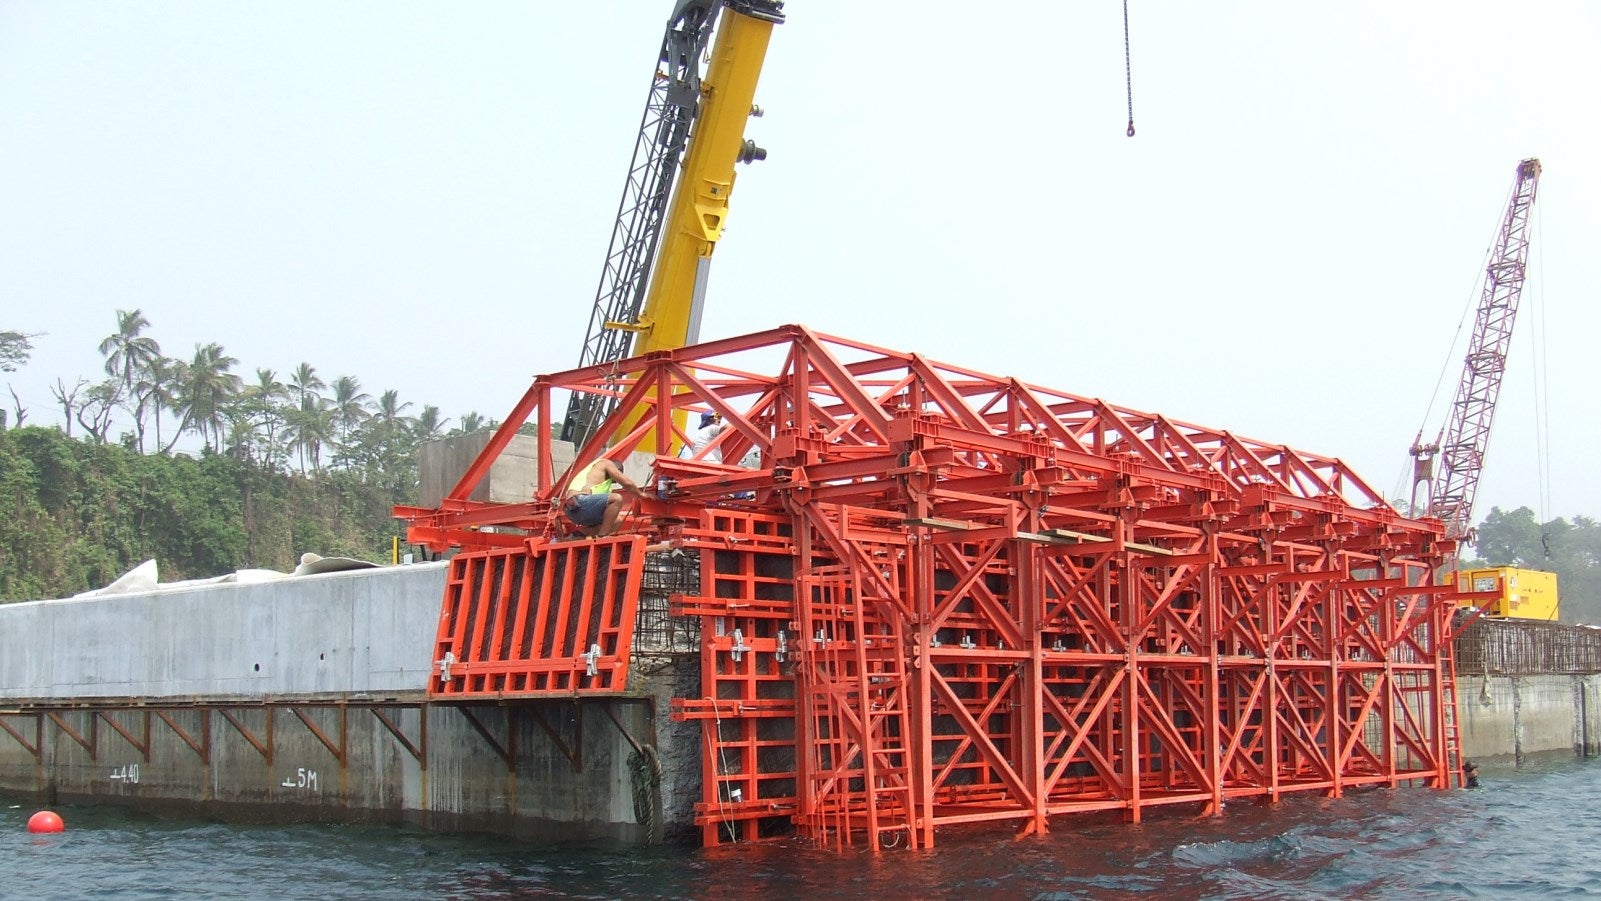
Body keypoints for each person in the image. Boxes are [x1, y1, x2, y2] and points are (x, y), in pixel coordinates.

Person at [562, 458, 648, 537]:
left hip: (572, 512)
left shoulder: (598, 480)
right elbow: (627, 483)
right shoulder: (606, 463)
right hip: (580, 502)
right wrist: (641, 494)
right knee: (617, 499)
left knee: (616, 520)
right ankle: (603, 536)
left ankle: (579, 534)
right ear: (617, 470)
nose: (615, 482)